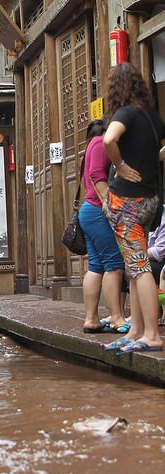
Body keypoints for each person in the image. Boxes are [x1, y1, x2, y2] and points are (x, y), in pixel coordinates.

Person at [102, 63, 165, 354]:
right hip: (151, 200)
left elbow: (108, 139)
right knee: (134, 267)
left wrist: (121, 166)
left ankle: (151, 333)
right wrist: (150, 160)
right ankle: (136, 331)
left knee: (139, 269)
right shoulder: (152, 117)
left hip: (127, 201)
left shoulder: (125, 113)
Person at [77, 120, 128, 334]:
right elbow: (97, 174)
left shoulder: (92, 144)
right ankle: (116, 317)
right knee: (114, 264)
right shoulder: (99, 143)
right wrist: (109, 206)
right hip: (98, 210)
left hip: (91, 211)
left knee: (96, 265)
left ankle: (91, 318)